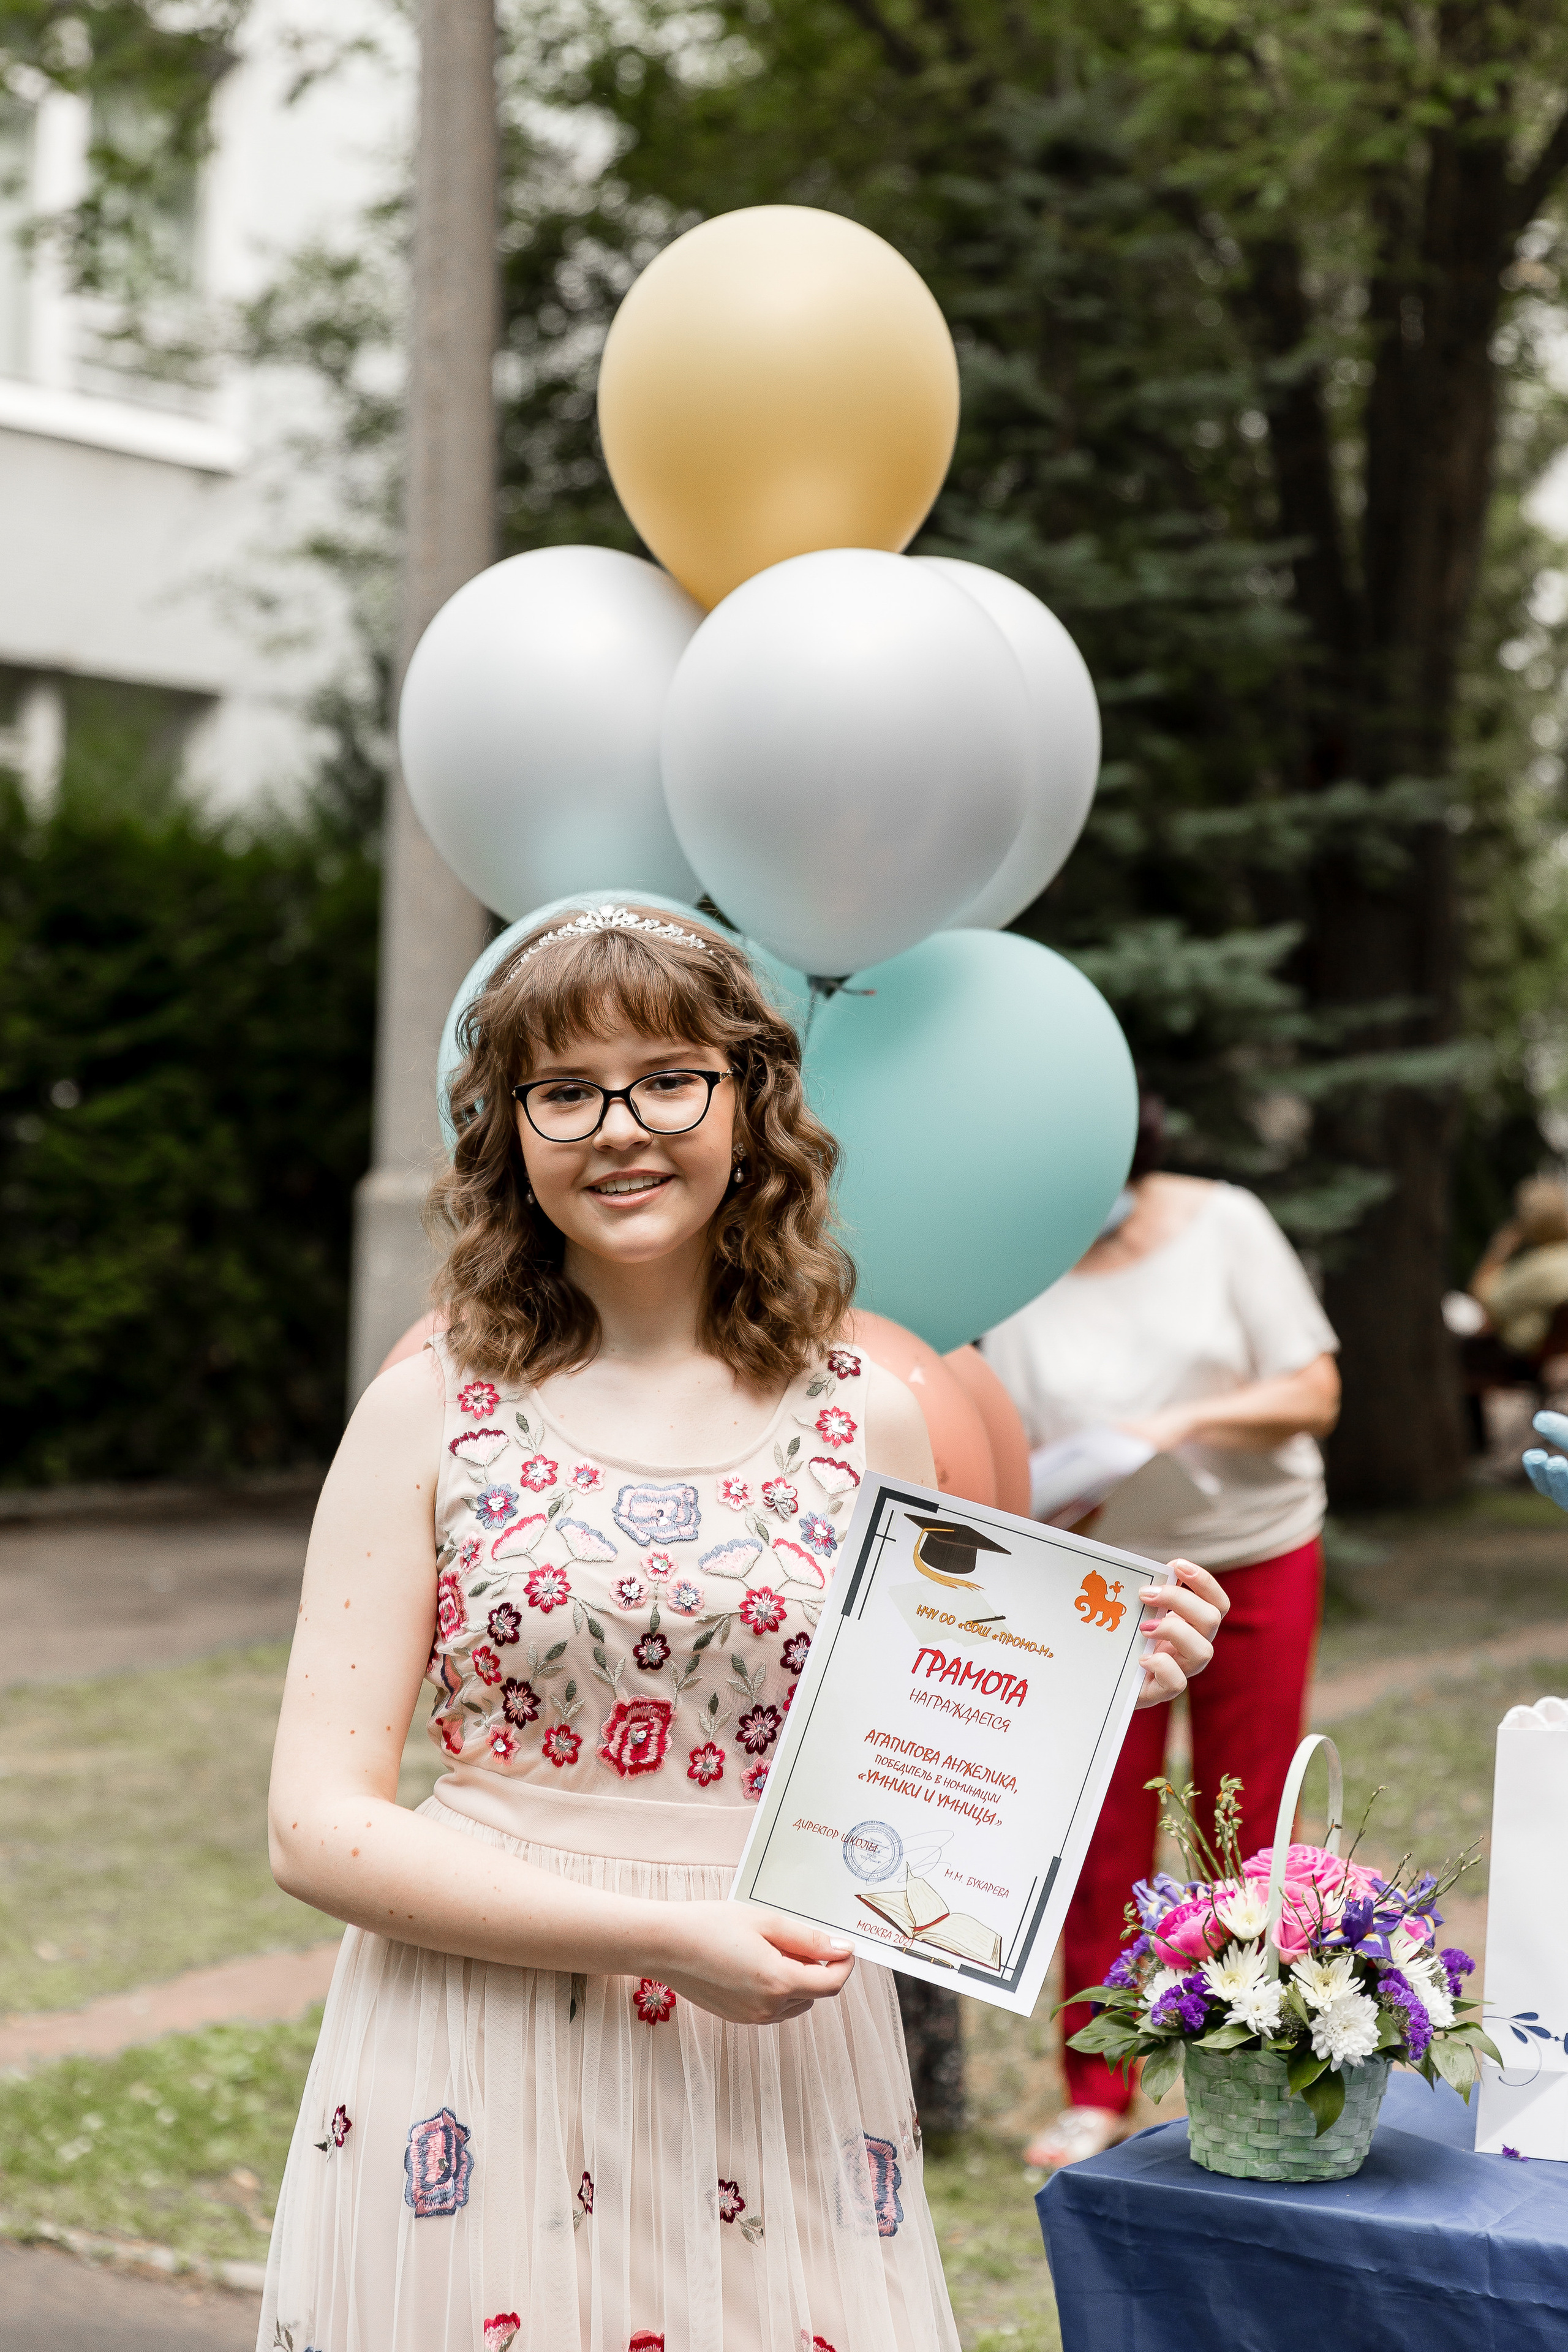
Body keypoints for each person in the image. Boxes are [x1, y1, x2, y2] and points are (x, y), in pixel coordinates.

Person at [258, 908, 1226, 2351]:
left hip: (773, 2060)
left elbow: (909, 1779)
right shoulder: (424, 1410)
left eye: (668, 1079)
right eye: (564, 1091)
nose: (620, 1128)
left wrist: (1086, 1681)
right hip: (476, 2044)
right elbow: (313, 1828)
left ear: (748, 1099)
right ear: (510, 1131)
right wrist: (665, 1937)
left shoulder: (867, 1415)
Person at [981, 1095, 1337, 2171]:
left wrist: (1177, 1423)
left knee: (1251, 1822)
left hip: (1256, 1553)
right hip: (1106, 1583)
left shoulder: (1225, 1221)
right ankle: (1098, 2091)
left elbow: (1315, 1392)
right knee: (1100, 1838)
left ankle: (1263, 2062)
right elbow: (1009, 1436)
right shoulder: (1016, 1264)